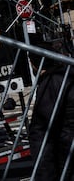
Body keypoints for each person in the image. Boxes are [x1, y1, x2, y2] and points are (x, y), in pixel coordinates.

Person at [28, 42, 74, 180]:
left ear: (34, 63)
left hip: (66, 157)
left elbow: (41, 133)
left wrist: (45, 176)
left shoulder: (52, 82)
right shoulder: (68, 74)